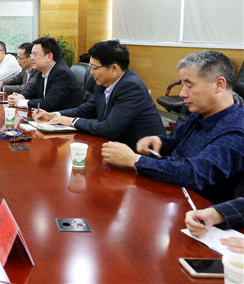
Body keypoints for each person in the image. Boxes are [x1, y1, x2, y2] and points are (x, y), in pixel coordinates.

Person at [101, 50, 244, 204]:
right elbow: (177, 143)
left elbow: (194, 174)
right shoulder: (200, 113)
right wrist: (160, 142)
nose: (182, 94)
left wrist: (135, 160)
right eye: (182, 85)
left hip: (198, 208)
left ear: (219, 84)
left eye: (189, 86)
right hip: (172, 193)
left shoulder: (236, 132)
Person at [34, 40, 164, 149]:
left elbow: (110, 128)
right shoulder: (103, 83)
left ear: (114, 68)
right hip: (115, 147)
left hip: (143, 154)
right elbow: (85, 110)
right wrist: (54, 115)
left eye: (95, 67)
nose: (91, 72)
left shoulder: (131, 87)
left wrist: (71, 121)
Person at [7, 37, 83, 110]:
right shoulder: (42, 71)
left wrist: (20, 102)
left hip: (64, 117)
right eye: (31, 55)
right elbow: (32, 91)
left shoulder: (61, 73)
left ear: (49, 57)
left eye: (34, 54)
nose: (31, 58)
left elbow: (49, 104)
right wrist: (19, 97)